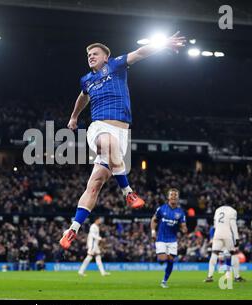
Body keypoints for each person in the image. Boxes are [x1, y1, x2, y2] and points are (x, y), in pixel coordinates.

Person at [60, 32, 186, 250]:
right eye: (89, 54)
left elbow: (140, 53)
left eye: (95, 53)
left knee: (95, 185)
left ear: (105, 57)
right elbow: (82, 96)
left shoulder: (116, 66)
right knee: (108, 144)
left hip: (122, 135)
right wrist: (74, 117)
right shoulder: (86, 79)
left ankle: (72, 229)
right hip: (99, 127)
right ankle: (128, 192)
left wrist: (163, 43)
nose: (90, 56)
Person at [150, 188, 187, 288]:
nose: (174, 197)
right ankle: (159, 258)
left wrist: (184, 229)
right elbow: (154, 220)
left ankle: (164, 281)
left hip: (172, 239)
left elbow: (183, 225)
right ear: (168, 197)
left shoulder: (180, 212)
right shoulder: (161, 209)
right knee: (162, 259)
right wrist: (153, 232)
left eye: (175, 195)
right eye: (172, 195)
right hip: (161, 238)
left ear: (178, 198)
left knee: (171, 260)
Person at [204, 199, 239, 282]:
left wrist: (212, 237)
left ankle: (210, 276)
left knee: (214, 254)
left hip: (217, 234)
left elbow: (215, 225)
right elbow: (233, 226)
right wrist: (237, 238)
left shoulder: (218, 210)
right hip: (227, 234)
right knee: (233, 254)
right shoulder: (232, 211)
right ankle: (236, 277)